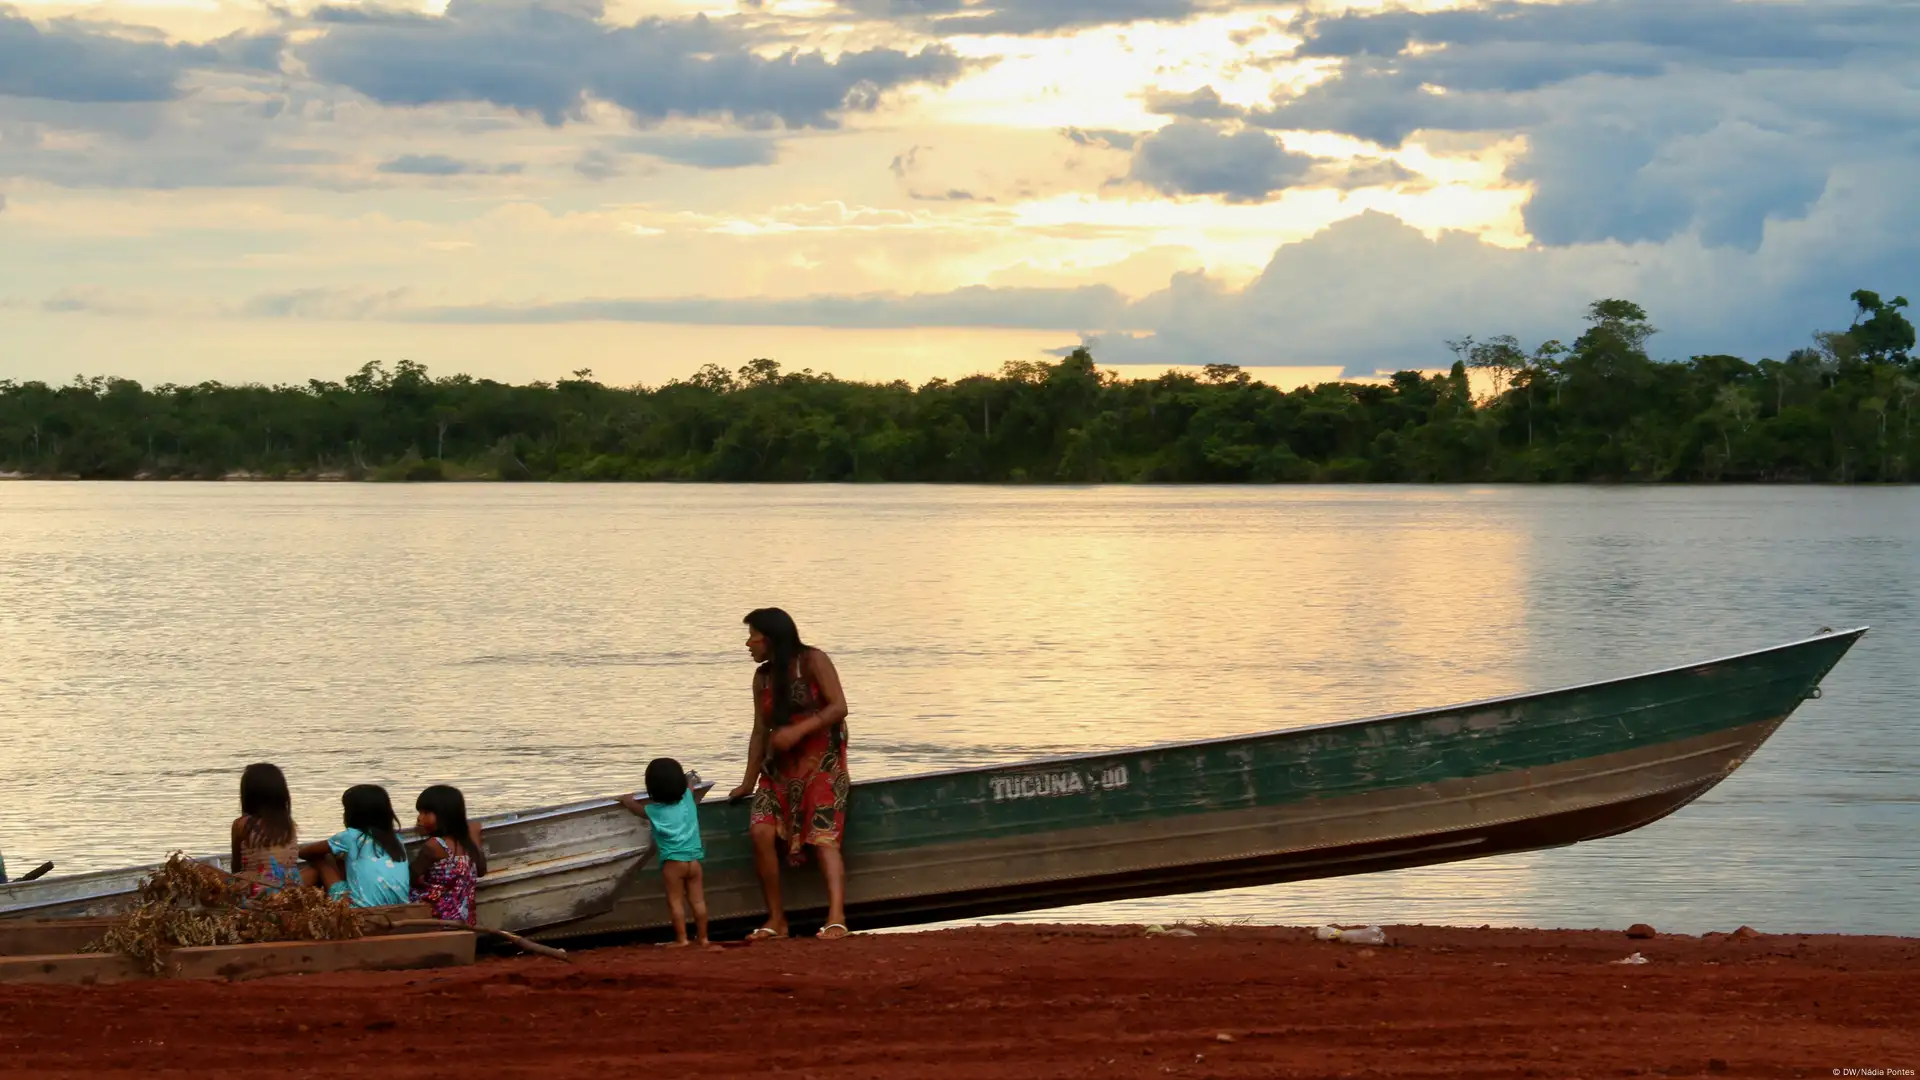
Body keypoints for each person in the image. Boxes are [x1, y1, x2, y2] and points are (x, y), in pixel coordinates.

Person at [730, 607, 852, 941]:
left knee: (824, 836)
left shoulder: (813, 660)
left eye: (752, 635)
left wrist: (799, 732)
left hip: (822, 765)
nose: (748, 643)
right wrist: (747, 780)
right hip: (779, 770)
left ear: (769, 638)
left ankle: (836, 918)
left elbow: (838, 706)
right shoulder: (762, 678)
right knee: (761, 832)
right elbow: (759, 731)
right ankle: (776, 920)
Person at [618, 758, 710, 948]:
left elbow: (637, 810)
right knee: (698, 901)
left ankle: (682, 939)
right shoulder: (687, 799)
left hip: (673, 863)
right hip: (694, 861)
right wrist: (690, 779)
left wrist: (627, 800)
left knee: (675, 901)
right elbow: (690, 786)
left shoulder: (654, 810)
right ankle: (703, 938)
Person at [299, 784, 411, 908]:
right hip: (401, 907)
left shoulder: (351, 837)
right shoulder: (397, 840)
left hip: (359, 909)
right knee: (342, 858)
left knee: (320, 859)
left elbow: (304, 853)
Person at [230, 763, 312, 894]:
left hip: (257, 891)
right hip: (289, 890)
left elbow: (236, 867)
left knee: (204, 871)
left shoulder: (242, 824)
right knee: (313, 871)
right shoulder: (288, 824)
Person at [411, 784, 487, 924]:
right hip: (464, 919)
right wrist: (475, 837)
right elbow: (481, 870)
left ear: (445, 815)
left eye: (426, 813)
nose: (419, 818)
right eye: (419, 812)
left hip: (436, 919)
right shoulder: (466, 843)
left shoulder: (434, 845)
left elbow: (409, 878)